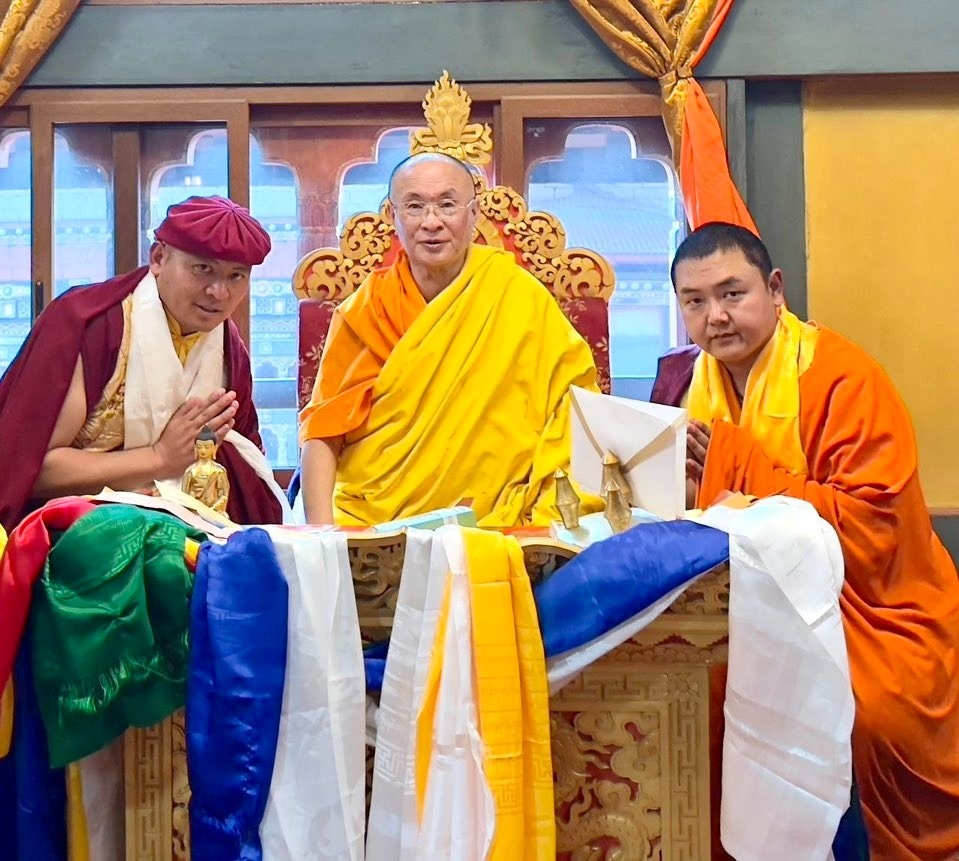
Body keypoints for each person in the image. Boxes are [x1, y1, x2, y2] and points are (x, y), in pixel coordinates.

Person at [667, 221, 959, 860]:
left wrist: (735, 461)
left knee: (877, 717)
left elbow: (872, 526)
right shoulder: (693, 385)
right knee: (693, 710)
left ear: (775, 290)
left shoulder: (841, 379)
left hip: (874, 605)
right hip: (748, 610)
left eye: (732, 293)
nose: (716, 316)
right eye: (695, 301)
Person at [298, 152, 598, 527]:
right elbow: (323, 432)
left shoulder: (519, 296)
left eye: (447, 204)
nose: (432, 222)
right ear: (393, 217)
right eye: (415, 206)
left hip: (499, 520)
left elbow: (576, 408)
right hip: (376, 525)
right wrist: (323, 537)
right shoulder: (365, 313)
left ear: (473, 215)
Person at [0, 195, 286, 531]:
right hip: (79, 531)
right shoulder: (91, 325)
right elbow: (30, 472)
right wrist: (159, 458)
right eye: (203, 269)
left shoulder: (228, 347)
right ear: (159, 258)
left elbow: (243, 466)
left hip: (191, 527)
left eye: (236, 276)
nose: (219, 293)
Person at [182, 427, 231, 513]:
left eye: (207, 447)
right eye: (200, 447)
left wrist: (212, 510)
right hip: (194, 512)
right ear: (195, 448)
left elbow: (223, 495)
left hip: (214, 512)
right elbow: (184, 495)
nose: (203, 451)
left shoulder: (218, 471)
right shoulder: (190, 471)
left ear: (214, 448)